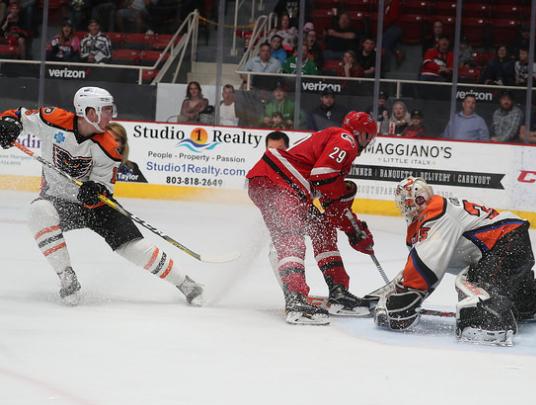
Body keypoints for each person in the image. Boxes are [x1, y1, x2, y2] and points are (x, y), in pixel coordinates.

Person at [0, 87, 204, 306]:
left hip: (96, 208)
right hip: (57, 201)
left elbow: (105, 187)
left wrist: (95, 191)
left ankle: (185, 283)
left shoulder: (108, 147)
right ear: (89, 112)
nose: (111, 115)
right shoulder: (52, 119)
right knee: (38, 211)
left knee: (133, 247)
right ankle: (67, 277)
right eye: (106, 109)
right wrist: (7, 125)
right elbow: (15, 115)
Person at [369, 176, 536, 345]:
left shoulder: (436, 213)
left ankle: (490, 322)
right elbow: (415, 265)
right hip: (509, 242)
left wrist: (400, 305)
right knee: (506, 291)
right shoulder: (435, 212)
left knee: (474, 287)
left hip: (506, 243)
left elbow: (424, 270)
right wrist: (384, 294)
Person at [246, 111, 378, 325]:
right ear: (361, 134)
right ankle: (296, 300)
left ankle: (339, 293)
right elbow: (323, 177)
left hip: (281, 181)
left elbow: (329, 198)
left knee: (323, 228)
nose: (369, 142)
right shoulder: (346, 139)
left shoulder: (338, 143)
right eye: (369, 137)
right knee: (290, 237)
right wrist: (341, 197)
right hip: (280, 180)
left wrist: (353, 229)